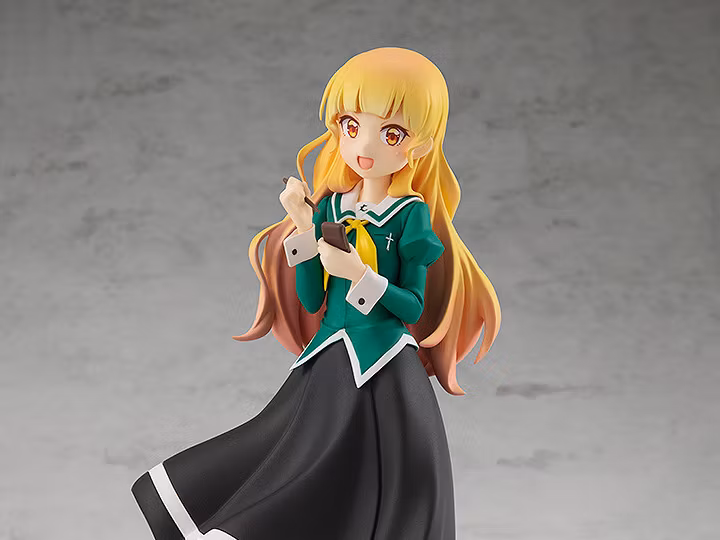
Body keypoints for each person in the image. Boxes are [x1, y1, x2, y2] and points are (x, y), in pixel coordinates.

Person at [131, 47, 501, 540]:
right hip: (327, 360)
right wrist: (305, 227)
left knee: (391, 480)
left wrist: (362, 276)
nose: (365, 144)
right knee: (283, 453)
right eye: (351, 125)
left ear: (421, 144)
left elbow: (411, 305)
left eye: (391, 133)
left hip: (384, 365)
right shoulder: (331, 205)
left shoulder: (411, 215)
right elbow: (311, 299)